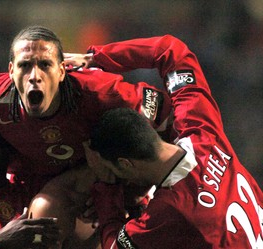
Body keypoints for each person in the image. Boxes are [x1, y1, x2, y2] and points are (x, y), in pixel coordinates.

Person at [0, 26, 172, 245]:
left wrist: (140, 187)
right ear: (10, 71)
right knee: (44, 219)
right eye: (25, 65)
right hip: (33, 185)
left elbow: (166, 117)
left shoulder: (101, 93)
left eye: (44, 64)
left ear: (62, 71)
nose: (34, 76)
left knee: (48, 211)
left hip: (101, 177)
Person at [82, 35, 263, 248]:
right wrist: (96, 58)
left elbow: (114, 246)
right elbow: (170, 51)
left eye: (112, 170)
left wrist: (107, 188)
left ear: (125, 164)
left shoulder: (168, 212)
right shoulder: (201, 130)